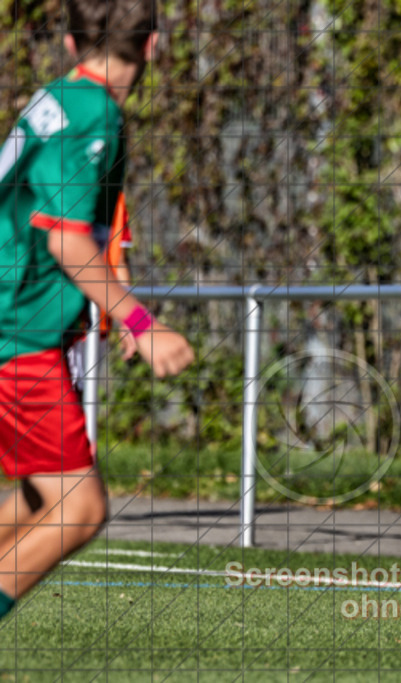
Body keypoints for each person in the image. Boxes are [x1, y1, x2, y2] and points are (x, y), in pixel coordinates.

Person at [0, 0, 194, 620]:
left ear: (70, 41)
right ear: (154, 45)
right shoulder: (93, 113)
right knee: (79, 509)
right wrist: (142, 320)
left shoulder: (56, 98)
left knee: (39, 500)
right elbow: (64, 237)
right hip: (17, 331)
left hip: (16, 321)